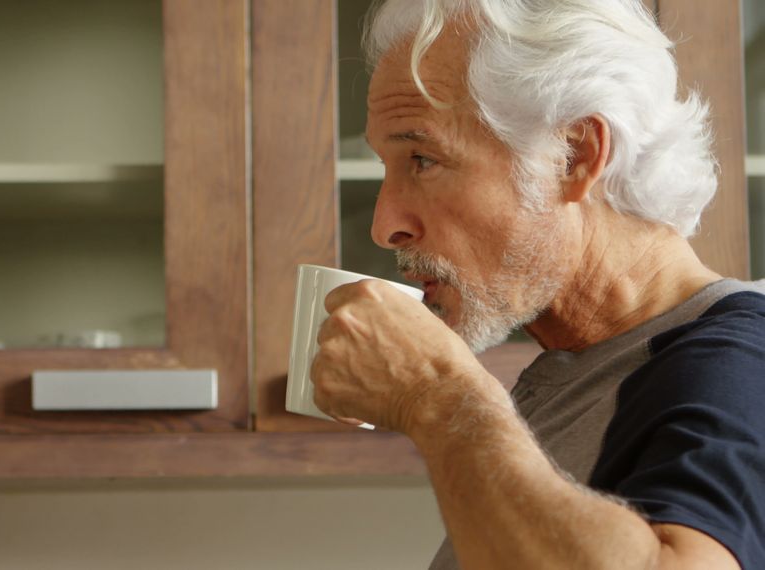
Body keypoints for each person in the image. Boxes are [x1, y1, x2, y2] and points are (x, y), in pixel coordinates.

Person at [310, 0, 765, 568]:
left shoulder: (740, 362)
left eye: (422, 159)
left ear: (575, 155)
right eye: (388, 165)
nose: (385, 225)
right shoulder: (577, 371)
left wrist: (435, 392)